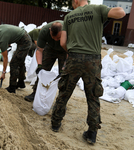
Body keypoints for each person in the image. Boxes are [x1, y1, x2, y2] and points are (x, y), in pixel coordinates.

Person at [51, 0, 126, 144]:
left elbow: (62, 43)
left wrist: (73, 54)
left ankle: (55, 123)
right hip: (93, 61)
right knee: (93, 96)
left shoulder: (69, 16)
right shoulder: (97, 9)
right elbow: (121, 13)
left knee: (64, 92)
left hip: (73, 58)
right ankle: (92, 133)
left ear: (76, 1)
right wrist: (106, 14)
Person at [24, 21, 68, 102]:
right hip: (50, 49)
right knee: (42, 71)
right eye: (53, 37)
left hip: (65, 51)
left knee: (64, 76)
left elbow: (70, 52)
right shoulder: (44, 31)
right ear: (50, 30)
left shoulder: (69, 31)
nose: (55, 39)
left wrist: (64, 68)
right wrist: (40, 66)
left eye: (58, 38)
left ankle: (61, 102)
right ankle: (35, 93)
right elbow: (39, 50)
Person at [0, 24, 32, 93]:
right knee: (20, 61)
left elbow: (5, 58)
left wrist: (3, 73)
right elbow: (8, 32)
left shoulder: (1, 41)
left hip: (25, 41)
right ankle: (21, 82)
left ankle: (12, 87)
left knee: (13, 63)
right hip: (24, 37)